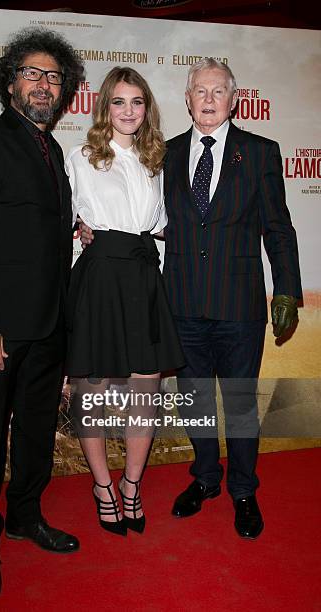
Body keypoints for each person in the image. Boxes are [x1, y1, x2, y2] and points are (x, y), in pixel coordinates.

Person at [81, 58, 302, 540]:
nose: (207, 100)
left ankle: (244, 489)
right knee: (196, 401)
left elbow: (279, 228)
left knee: (240, 403)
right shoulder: (163, 153)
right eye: (199, 91)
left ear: (233, 99)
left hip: (240, 305)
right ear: (187, 98)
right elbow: (138, 212)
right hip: (180, 302)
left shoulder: (261, 152)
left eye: (217, 91)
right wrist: (87, 225)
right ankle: (206, 479)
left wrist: (286, 287)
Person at [0, 27, 84, 598]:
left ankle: (26, 518)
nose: (43, 84)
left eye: (53, 76)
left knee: (34, 433)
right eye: (31, 73)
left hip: (48, 327)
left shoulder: (53, 151)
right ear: (9, 84)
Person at [65, 67, 184, 536]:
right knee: (90, 391)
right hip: (97, 279)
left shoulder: (157, 159)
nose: (128, 111)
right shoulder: (80, 157)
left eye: (137, 102)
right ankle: (102, 487)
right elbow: (60, 214)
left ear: (147, 108)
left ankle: (131, 485)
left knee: (144, 391)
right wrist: (79, 227)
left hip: (143, 275)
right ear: (104, 107)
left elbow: (161, 222)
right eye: (119, 101)